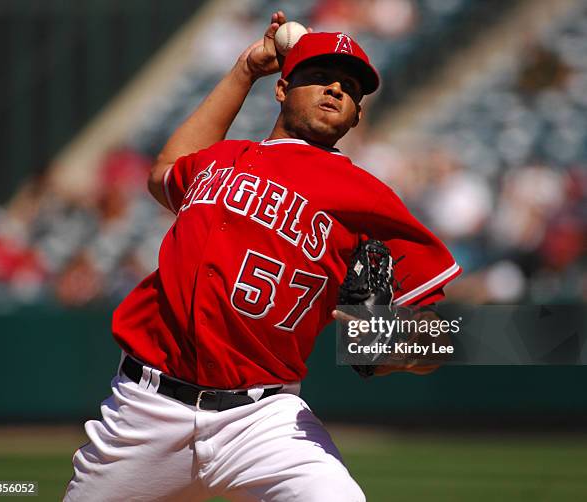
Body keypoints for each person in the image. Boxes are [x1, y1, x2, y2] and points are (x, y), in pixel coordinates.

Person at [65, 11, 461, 502]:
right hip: (146, 407)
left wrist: (402, 346)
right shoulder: (220, 159)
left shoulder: (368, 196)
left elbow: (437, 334)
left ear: (357, 114)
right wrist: (244, 70)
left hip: (262, 420)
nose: (335, 89)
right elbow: (162, 173)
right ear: (283, 88)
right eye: (319, 77)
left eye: (349, 87)